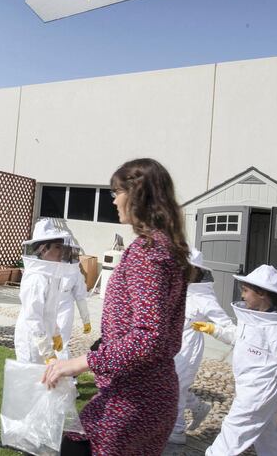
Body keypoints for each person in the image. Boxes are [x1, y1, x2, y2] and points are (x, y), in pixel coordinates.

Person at [42, 158, 190, 456]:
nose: (112, 200)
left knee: (69, 447)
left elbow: (147, 337)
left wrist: (79, 363)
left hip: (134, 399)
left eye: (116, 192)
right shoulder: (166, 247)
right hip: (151, 393)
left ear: (137, 195)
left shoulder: (147, 252)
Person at [192, 264, 277, 455]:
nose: (243, 296)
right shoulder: (255, 319)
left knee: (232, 433)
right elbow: (239, 337)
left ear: (262, 293)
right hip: (253, 388)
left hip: (258, 392)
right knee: (267, 434)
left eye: (246, 291)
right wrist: (214, 330)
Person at [168, 248, 232, 445]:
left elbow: (229, 327)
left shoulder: (205, 297)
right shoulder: (177, 288)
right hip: (170, 346)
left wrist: (213, 329)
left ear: (195, 270)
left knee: (177, 387)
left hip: (188, 349)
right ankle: (198, 408)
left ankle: (177, 432)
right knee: (170, 385)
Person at [14, 218, 74, 364]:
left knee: (43, 382)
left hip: (43, 338)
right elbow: (33, 316)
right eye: (58, 247)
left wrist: (55, 333)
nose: (62, 252)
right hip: (31, 340)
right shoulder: (36, 278)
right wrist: (47, 350)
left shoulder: (51, 276)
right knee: (31, 382)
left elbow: (50, 311)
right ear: (43, 249)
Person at [55, 241, 91, 361]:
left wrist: (86, 320)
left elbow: (80, 297)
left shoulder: (75, 271)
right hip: (49, 307)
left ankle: (65, 376)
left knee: (62, 342)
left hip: (65, 308)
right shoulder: (49, 266)